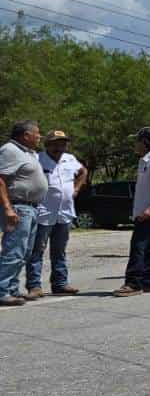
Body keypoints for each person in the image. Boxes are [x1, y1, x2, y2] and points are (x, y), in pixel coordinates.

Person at [26, 130, 87, 297]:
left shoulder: (70, 159)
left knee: (59, 250)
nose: (59, 147)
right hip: (43, 212)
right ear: (47, 144)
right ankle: (34, 286)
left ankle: (60, 284)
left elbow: (83, 172)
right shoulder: (37, 159)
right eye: (55, 143)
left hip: (65, 212)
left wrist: (76, 188)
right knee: (36, 250)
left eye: (63, 143)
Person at [115, 127, 150, 296]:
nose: (135, 144)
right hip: (144, 210)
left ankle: (133, 283)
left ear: (144, 142)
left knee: (138, 246)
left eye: (137, 141)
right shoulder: (144, 160)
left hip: (149, 211)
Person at [0, 120, 46, 308]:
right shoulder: (9, 150)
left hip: (31, 208)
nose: (39, 136)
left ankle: (11, 288)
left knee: (25, 252)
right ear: (25, 135)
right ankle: (2, 290)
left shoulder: (28, 153)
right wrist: (8, 209)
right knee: (14, 250)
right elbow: (0, 180)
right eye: (37, 133)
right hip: (18, 207)